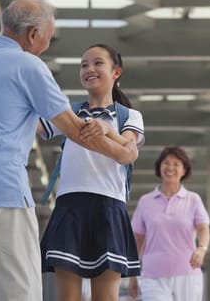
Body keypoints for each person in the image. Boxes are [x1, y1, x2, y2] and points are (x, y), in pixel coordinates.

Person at [0, 0, 120, 301]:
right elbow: (76, 130)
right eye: (46, 38)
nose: (46, 46)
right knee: (20, 290)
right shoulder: (28, 65)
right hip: (2, 195)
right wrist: (124, 150)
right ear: (31, 34)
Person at [39, 44, 145, 301]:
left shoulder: (129, 115)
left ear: (116, 72)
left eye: (98, 63)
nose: (89, 69)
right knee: (67, 298)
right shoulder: (68, 112)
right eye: (84, 64)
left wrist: (107, 130)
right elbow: (35, 126)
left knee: (105, 298)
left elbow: (128, 152)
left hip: (109, 210)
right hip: (69, 208)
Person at [129, 145, 210, 301]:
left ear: (184, 170)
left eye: (176, 164)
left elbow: (203, 228)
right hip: (152, 275)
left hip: (187, 273)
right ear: (159, 167)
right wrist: (132, 274)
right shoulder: (145, 201)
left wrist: (201, 249)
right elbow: (138, 239)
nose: (170, 167)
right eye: (166, 163)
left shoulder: (193, 199)